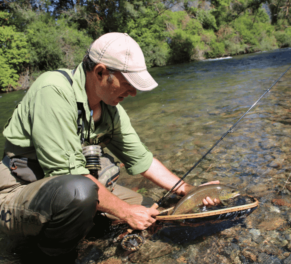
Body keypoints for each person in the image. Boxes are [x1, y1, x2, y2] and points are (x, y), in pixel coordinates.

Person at [0, 33, 218, 256]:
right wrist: (126, 212)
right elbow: (69, 176)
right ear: (100, 72)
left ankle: (93, 234)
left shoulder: (111, 109)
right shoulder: (52, 91)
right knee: (80, 192)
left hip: (76, 191)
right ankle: (45, 257)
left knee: (157, 215)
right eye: (128, 84)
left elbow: (143, 160)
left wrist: (189, 190)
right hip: (19, 193)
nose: (133, 93)